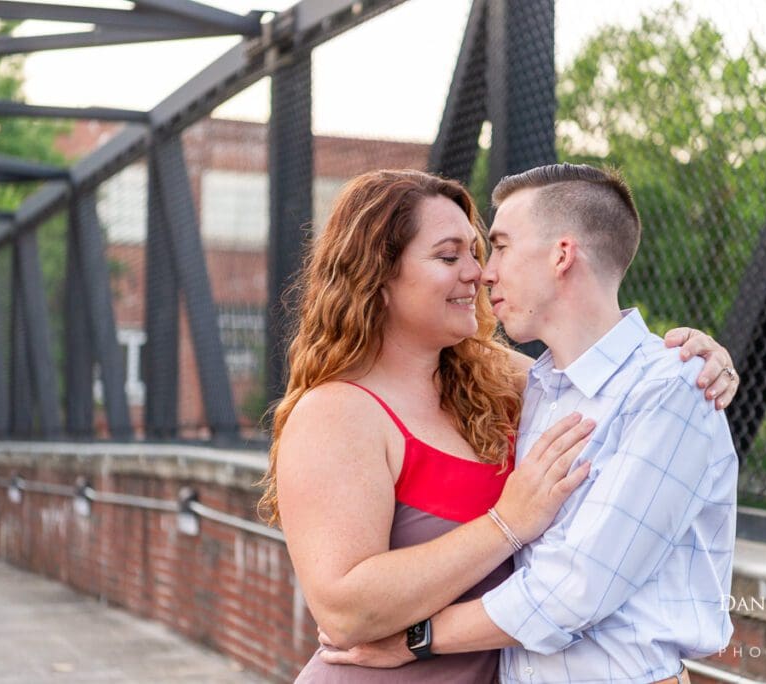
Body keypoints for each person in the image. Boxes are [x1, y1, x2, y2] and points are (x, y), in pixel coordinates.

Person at [259, 168, 738, 683]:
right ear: (375, 278)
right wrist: (507, 523)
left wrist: (701, 359)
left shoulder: (514, 385)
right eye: (449, 257)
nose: (478, 272)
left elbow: (615, 374)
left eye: (480, 250)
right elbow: (343, 611)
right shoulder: (335, 411)